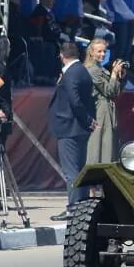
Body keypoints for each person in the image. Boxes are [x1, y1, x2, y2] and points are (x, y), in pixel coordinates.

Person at [48, 42, 95, 221]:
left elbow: (75, 101)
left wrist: (87, 120)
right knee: (78, 169)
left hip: (70, 127)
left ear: (62, 55)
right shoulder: (81, 70)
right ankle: (80, 207)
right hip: (78, 128)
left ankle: (74, 208)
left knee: (72, 171)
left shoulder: (72, 73)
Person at [84, 37, 124, 165]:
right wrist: (113, 75)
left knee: (108, 145)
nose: (103, 54)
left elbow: (116, 92)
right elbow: (109, 92)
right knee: (101, 146)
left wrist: (117, 76)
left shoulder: (99, 68)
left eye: (104, 51)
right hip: (101, 110)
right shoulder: (93, 70)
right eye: (99, 51)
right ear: (91, 52)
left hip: (107, 109)